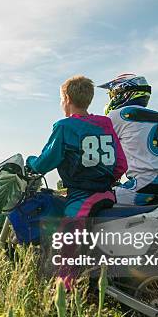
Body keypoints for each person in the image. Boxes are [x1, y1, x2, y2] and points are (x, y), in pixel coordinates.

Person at [26, 75, 127, 217]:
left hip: (82, 198)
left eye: (61, 100)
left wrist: (31, 163)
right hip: (107, 194)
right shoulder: (105, 123)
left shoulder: (65, 127)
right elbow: (121, 164)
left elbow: (45, 162)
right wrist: (104, 180)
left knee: (66, 237)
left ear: (67, 99)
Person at [98, 73, 158, 205]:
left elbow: (100, 152)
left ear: (121, 93)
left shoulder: (116, 116)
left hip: (146, 188)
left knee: (92, 201)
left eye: (111, 94)